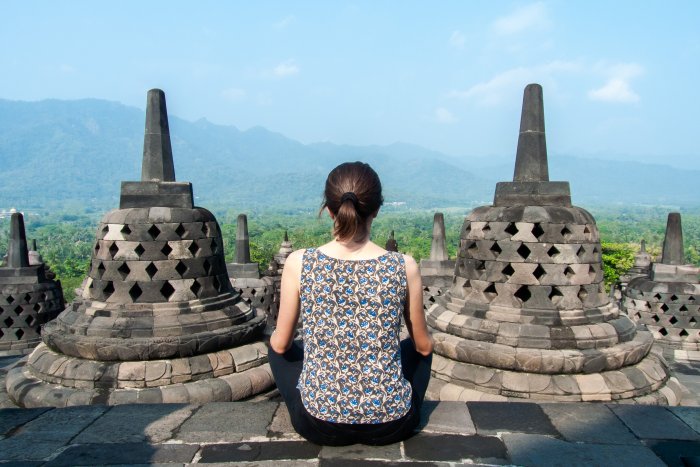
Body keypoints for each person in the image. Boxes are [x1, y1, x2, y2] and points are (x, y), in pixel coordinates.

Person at [269, 161, 433, 446]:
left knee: (277, 346)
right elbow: (423, 347)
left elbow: (282, 345)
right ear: (377, 209)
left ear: (329, 209)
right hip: (392, 423)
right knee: (418, 348)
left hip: (319, 423)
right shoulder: (403, 265)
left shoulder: (299, 262)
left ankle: (321, 391)